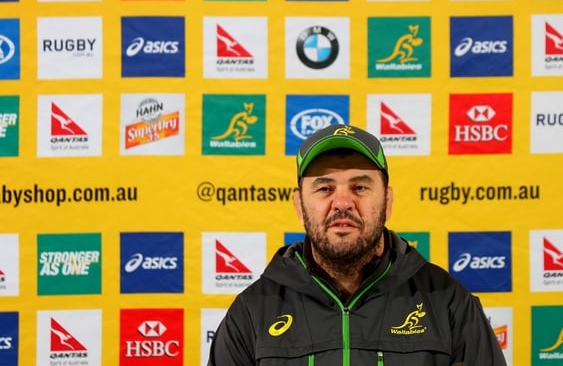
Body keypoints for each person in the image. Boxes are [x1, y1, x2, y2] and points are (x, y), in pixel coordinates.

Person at [208, 124, 508, 366]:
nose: (342, 202)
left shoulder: (447, 302)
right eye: (324, 188)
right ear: (299, 206)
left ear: (387, 202)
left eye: (360, 187)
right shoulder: (252, 311)